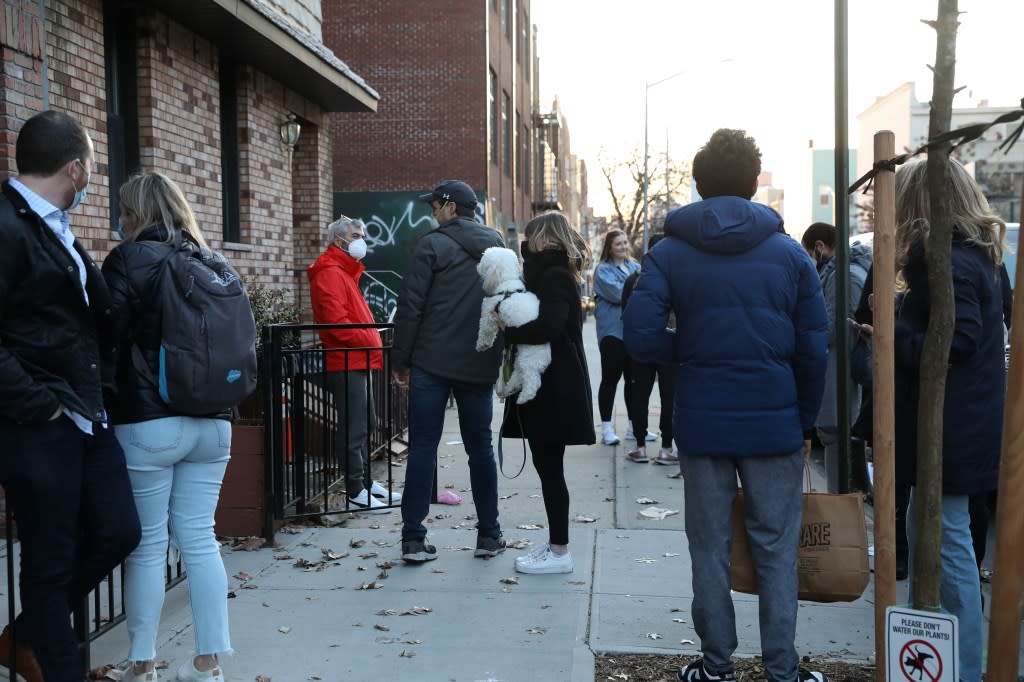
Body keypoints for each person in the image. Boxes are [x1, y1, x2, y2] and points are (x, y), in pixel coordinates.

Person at [623, 128, 829, 682]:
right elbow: (814, 348)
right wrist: (805, 420)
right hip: (774, 421)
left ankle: (716, 666)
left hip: (703, 422)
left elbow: (640, 337)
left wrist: (690, 348)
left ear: (699, 184)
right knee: (775, 548)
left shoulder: (667, 253)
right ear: (752, 182)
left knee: (708, 547)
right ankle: (782, 670)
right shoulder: (790, 255)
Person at [0, 110, 141, 682]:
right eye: (92, 167)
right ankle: (56, 665)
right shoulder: (7, 226)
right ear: (76, 167)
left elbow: (83, 320)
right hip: (38, 421)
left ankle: (26, 635)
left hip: (86, 411)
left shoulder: (53, 224)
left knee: (118, 530)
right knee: (49, 561)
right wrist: (42, 406)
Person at [102, 172, 236, 682]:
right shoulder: (211, 261)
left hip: (149, 424)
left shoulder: (128, 259)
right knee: (201, 539)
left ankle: (141, 662)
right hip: (214, 423)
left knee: (150, 545)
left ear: (134, 214)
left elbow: (106, 337)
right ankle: (208, 663)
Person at [890, 157, 1005, 682]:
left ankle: (958, 666)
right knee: (933, 533)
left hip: (950, 428)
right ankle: (943, 659)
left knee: (948, 539)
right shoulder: (972, 256)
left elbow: (955, 341)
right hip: (960, 421)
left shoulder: (950, 259)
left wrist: (895, 336)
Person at [392, 180, 506, 563]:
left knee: (423, 446)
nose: (432, 211)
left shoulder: (431, 245)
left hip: (431, 362)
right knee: (481, 449)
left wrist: (401, 361)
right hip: (477, 362)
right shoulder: (497, 247)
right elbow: (506, 303)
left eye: (436, 205)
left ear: (452, 207)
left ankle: (412, 538)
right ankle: (489, 535)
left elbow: (410, 307)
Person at [499, 211, 595, 574]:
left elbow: (550, 327)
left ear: (544, 237)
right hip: (552, 383)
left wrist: (508, 330)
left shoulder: (553, 276)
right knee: (548, 468)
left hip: (554, 386)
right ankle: (557, 546)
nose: (524, 243)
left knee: (551, 470)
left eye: (529, 236)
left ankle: (559, 552)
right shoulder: (553, 273)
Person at [308, 215, 400, 515]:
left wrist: (369, 339)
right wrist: (370, 338)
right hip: (346, 359)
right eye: (356, 235)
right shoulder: (329, 272)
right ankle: (356, 490)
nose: (362, 240)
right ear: (340, 240)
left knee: (367, 422)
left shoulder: (345, 272)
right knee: (355, 427)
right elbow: (336, 324)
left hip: (358, 357)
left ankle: (364, 483)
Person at [800, 222, 872, 493]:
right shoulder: (839, 272)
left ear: (819, 247)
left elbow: (837, 326)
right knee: (834, 439)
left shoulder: (843, 275)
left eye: (809, 253)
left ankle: (838, 506)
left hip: (840, 373)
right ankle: (837, 501)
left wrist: (807, 328)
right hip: (837, 370)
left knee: (838, 438)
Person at [621, 233, 677, 466]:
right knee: (669, 398)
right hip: (670, 344)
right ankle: (666, 449)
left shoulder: (635, 278)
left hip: (641, 345)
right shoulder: (677, 277)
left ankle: (641, 447)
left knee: (640, 395)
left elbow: (625, 312)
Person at [593, 229, 649, 445]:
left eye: (625, 243)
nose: (623, 247)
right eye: (618, 244)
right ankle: (606, 428)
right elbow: (620, 295)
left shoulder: (636, 268)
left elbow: (647, 292)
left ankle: (634, 427)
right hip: (612, 332)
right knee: (610, 379)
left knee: (633, 382)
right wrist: (638, 291)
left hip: (633, 332)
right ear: (609, 247)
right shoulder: (603, 271)